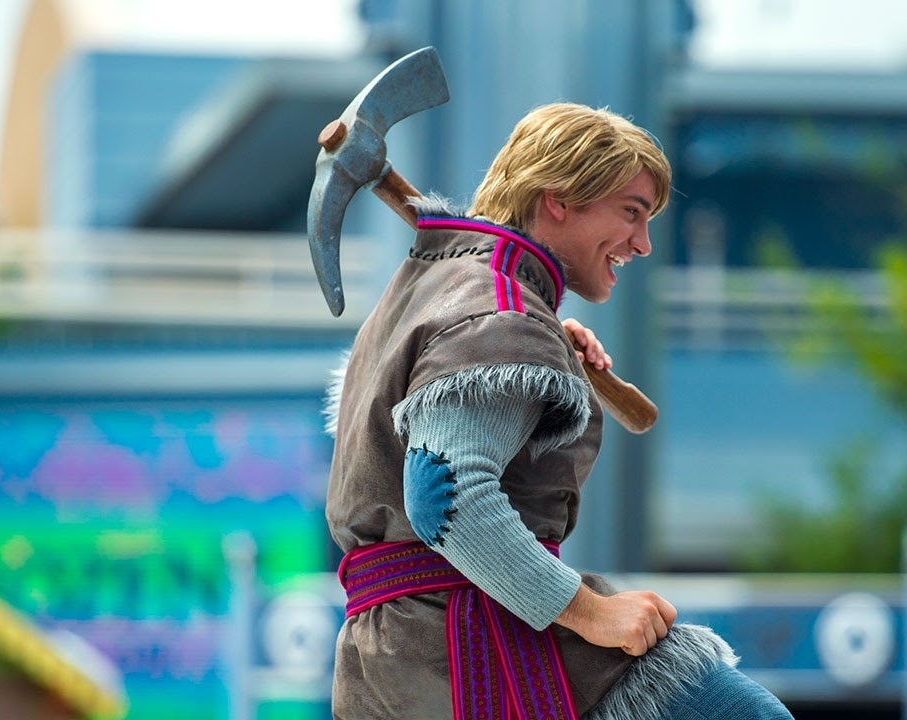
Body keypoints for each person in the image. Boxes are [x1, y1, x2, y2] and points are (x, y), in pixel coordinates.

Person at [323, 102, 793, 720]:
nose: (643, 244)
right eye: (631, 212)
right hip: (469, 646)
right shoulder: (500, 313)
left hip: (394, 661)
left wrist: (539, 345)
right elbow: (445, 499)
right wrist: (591, 612)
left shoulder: (435, 292)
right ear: (559, 200)